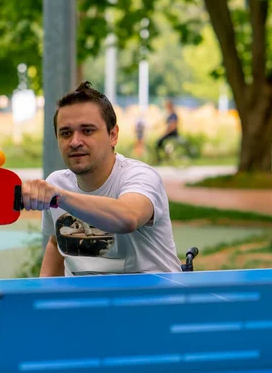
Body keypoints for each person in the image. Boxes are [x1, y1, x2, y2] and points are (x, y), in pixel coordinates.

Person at [21, 81, 182, 277]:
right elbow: (56, 242)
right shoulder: (57, 183)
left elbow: (127, 217)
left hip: (151, 301)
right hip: (86, 302)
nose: (74, 142)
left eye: (87, 131)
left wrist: (60, 197)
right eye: (65, 133)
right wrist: (45, 296)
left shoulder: (140, 176)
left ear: (113, 135)